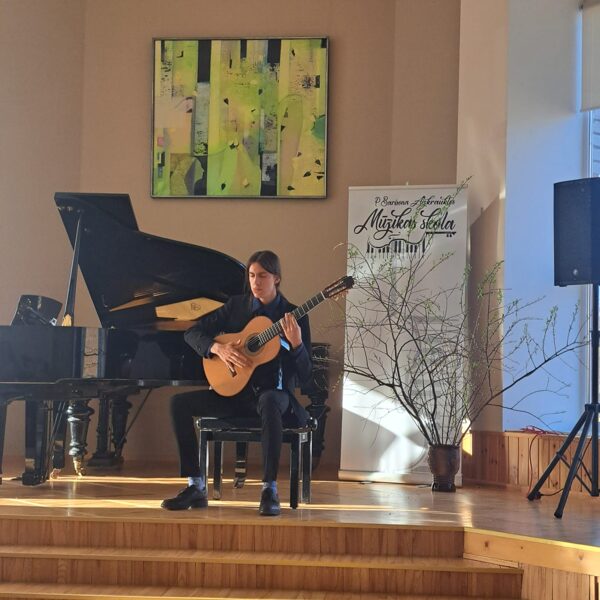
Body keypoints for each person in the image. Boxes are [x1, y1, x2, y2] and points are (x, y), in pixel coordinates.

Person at [161, 250, 312, 516]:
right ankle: (195, 485)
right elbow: (193, 332)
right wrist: (217, 349)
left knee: (269, 399)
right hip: (234, 395)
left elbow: (306, 374)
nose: (255, 282)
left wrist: (297, 345)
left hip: (274, 395)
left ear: (276, 278)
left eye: (262, 276)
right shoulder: (236, 306)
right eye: (251, 275)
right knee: (178, 403)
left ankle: (269, 489)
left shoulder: (292, 315)